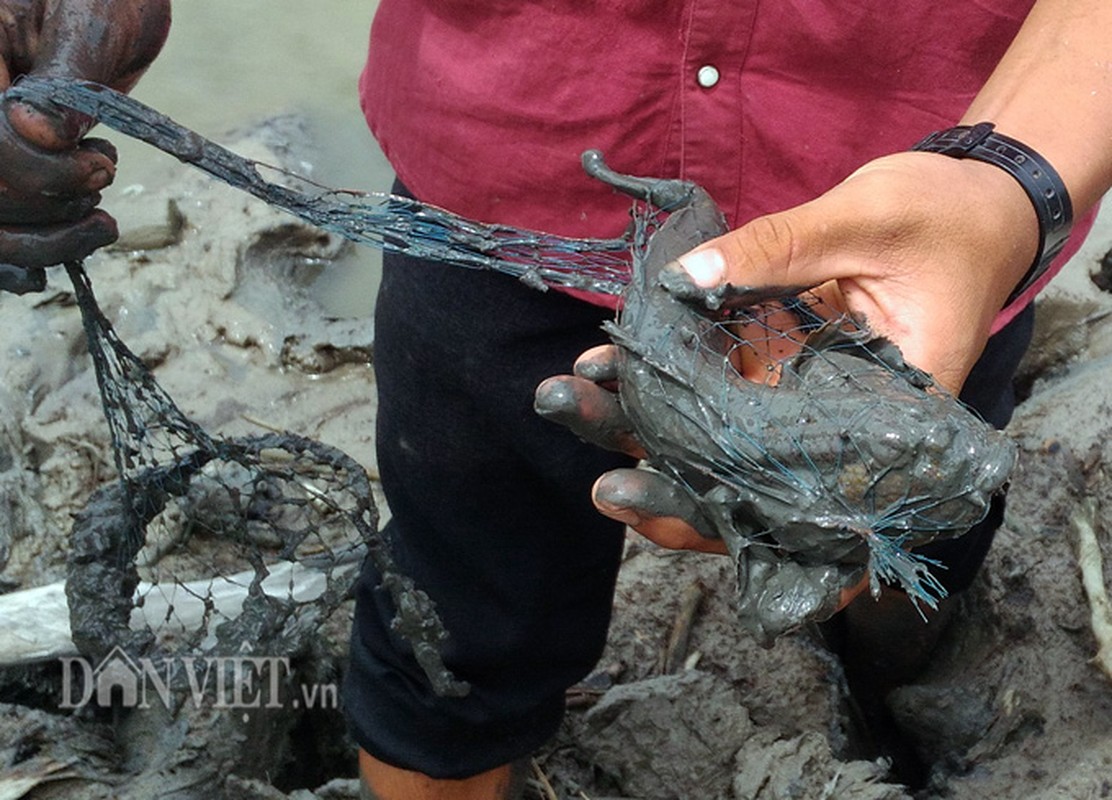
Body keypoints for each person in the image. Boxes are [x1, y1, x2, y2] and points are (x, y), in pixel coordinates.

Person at [2, 2, 1111, 799]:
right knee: (461, 605)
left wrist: (1006, 177)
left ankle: (893, 666)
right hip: (500, 189)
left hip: (922, 241)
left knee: (908, 536)